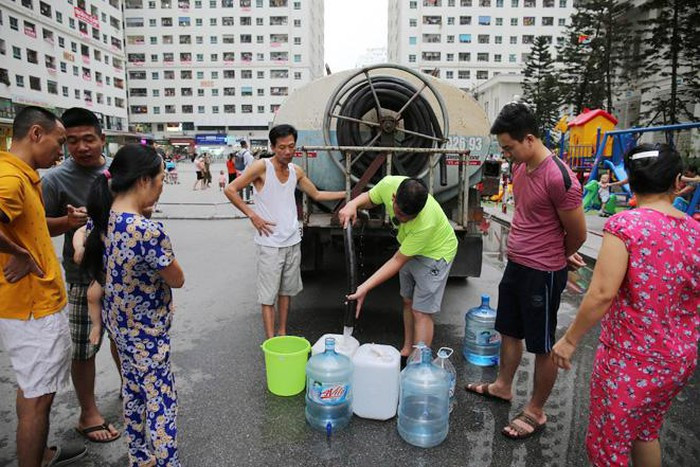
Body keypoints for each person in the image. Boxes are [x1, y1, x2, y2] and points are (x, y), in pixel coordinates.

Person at [552, 144, 699, 467]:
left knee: (609, 444)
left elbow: (602, 292)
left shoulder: (625, 227)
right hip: (678, 359)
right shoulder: (695, 231)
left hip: (630, 360)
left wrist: (570, 339)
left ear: (630, 182)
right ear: (678, 182)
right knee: (646, 432)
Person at [465, 102, 587, 439]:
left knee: (542, 344)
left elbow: (578, 233)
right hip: (517, 264)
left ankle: (536, 409)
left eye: (509, 147)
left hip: (543, 272)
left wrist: (561, 255)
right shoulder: (520, 168)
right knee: (509, 330)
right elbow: (535, 220)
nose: (506, 154)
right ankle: (504, 386)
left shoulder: (559, 177)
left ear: (529, 139)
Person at [82, 144, 185, 466]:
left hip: (120, 326)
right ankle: (168, 462)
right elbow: (177, 278)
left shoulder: (102, 217)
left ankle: (139, 455)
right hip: (148, 332)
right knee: (161, 401)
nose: (161, 187)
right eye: (160, 180)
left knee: (134, 391)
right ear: (143, 181)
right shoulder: (146, 230)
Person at [0, 106, 87, 466]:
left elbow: (31, 227)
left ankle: (39, 452)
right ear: (36, 134)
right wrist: (18, 253)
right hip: (32, 308)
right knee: (38, 398)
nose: (62, 151)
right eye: (60, 141)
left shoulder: (24, 175)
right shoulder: (10, 178)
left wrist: (65, 222)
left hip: (35, 305)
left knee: (36, 390)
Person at [41, 107, 122, 444]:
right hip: (81, 278)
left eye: (89, 139)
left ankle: (129, 390)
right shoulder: (55, 179)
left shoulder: (119, 172)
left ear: (102, 139)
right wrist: (68, 224)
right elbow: (38, 225)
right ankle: (88, 413)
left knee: (124, 340)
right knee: (83, 350)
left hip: (121, 275)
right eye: (72, 141)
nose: (82, 147)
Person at [225, 124, 345, 339]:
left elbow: (316, 194)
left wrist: (348, 194)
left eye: (291, 146)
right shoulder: (261, 167)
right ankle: (271, 340)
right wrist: (252, 215)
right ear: (273, 146)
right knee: (268, 296)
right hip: (269, 245)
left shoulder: (295, 171)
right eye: (282, 147)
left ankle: (282, 333)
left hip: (292, 242)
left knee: (286, 292)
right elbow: (230, 189)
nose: (287, 151)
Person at [339, 177, 457, 362]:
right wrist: (352, 204)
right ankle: (407, 350)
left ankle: (420, 365)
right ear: (393, 197)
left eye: (409, 217)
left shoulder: (426, 222)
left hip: (435, 253)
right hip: (408, 246)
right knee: (407, 301)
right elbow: (370, 197)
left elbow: (396, 261)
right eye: (400, 214)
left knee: (421, 311)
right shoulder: (388, 185)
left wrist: (364, 288)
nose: (403, 220)